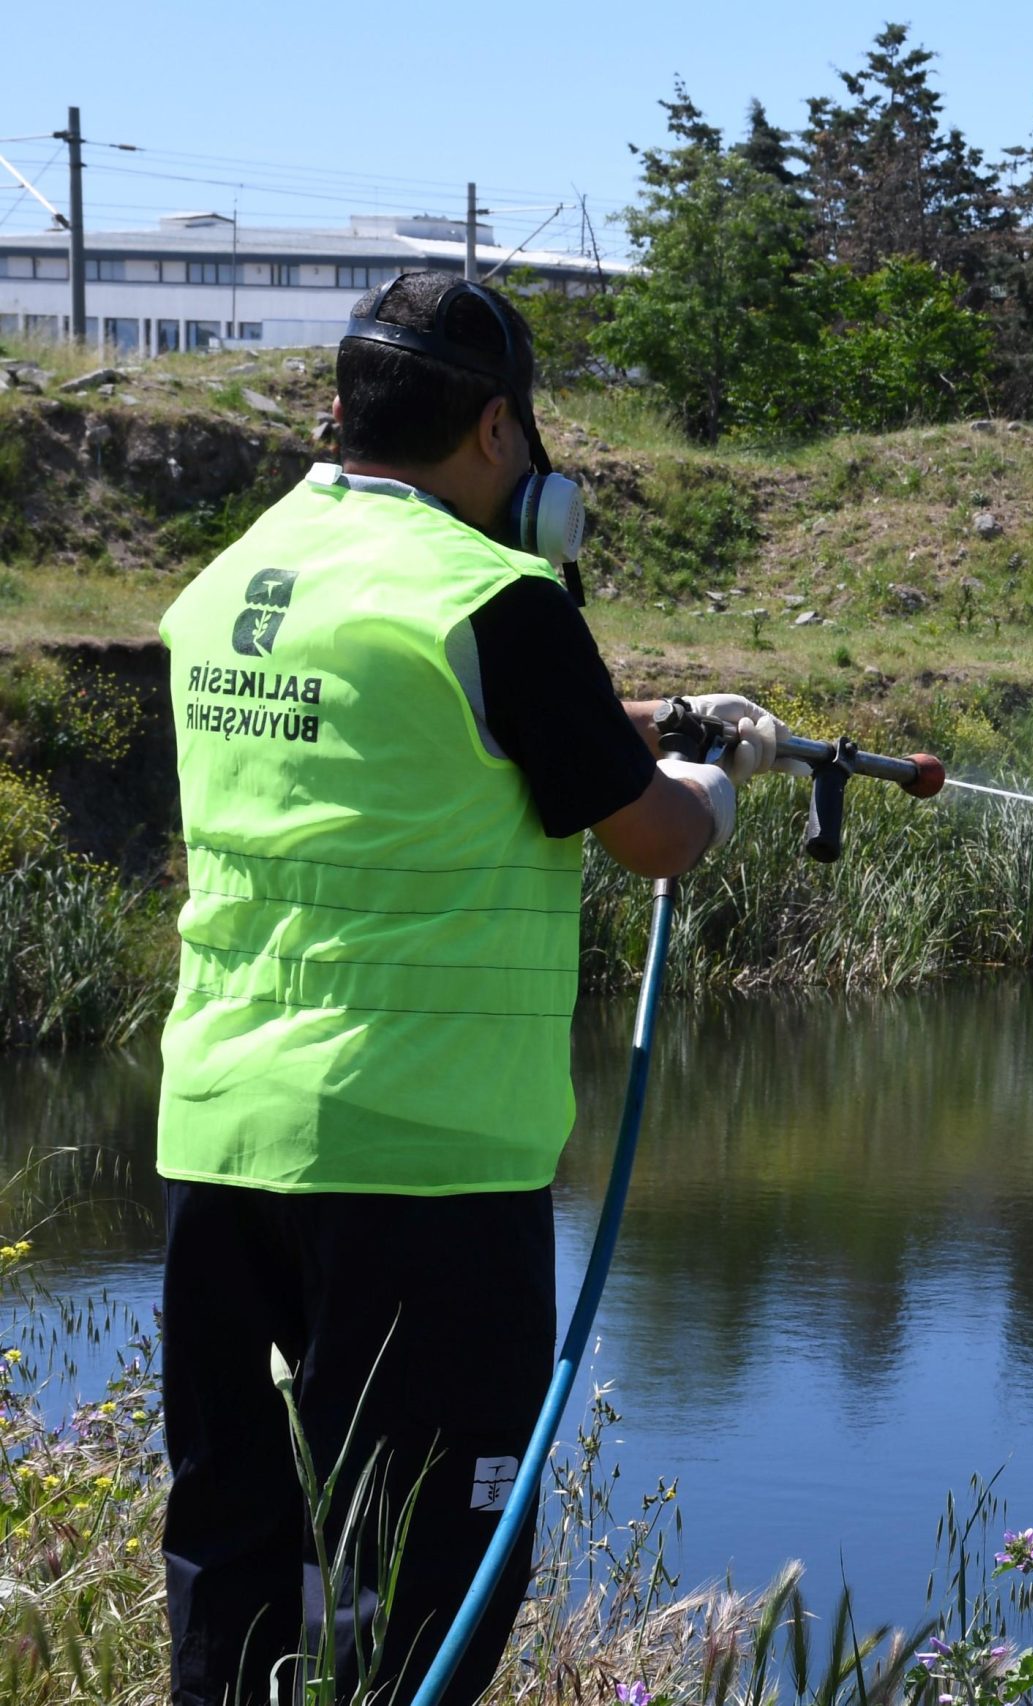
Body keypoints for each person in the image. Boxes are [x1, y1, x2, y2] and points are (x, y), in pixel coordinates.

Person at [154, 270, 792, 1705]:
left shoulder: (237, 582)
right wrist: (710, 777)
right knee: (414, 1594)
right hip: (419, 1167)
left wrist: (617, 716)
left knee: (236, 1552)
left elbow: (411, 730)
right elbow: (657, 836)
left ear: (339, 410)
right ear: (499, 431)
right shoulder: (497, 598)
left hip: (217, 1147)